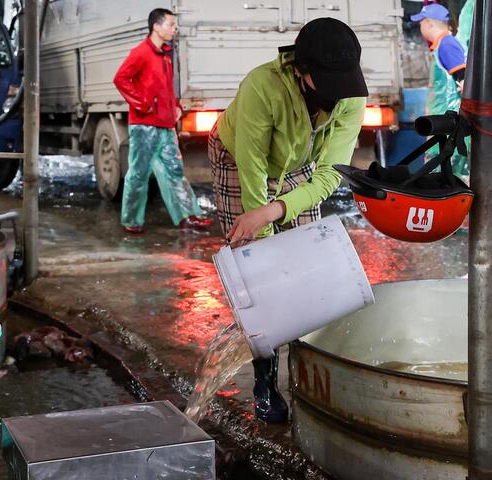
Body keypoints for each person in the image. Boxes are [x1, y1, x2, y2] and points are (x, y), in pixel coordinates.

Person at [208, 17, 368, 422]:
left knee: (304, 264)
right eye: (326, 83)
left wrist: (277, 209)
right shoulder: (261, 86)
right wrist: (260, 226)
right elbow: (253, 170)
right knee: (258, 270)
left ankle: (307, 371)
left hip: (300, 164)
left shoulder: (350, 94)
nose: (337, 94)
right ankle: (265, 381)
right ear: (300, 70)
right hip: (238, 157)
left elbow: (331, 174)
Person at [113, 8, 213, 234]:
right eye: (170, 25)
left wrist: (175, 106)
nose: (174, 29)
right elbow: (121, 79)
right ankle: (131, 221)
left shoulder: (164, 54)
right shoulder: (141, 52)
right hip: (144, 126)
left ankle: (188, 216)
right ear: (156, 27)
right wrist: (143, 105)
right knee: (139, 174)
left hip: (165, 125)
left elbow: (165, 87)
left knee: (175, 171)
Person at [412, 3, 469, 178]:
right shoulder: (442, 45)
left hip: (447, 122)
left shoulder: (447, 45)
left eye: (421, 23)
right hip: (441, 122)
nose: (420, 27)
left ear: (429, 23)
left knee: (445, 171)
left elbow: (463, 80)